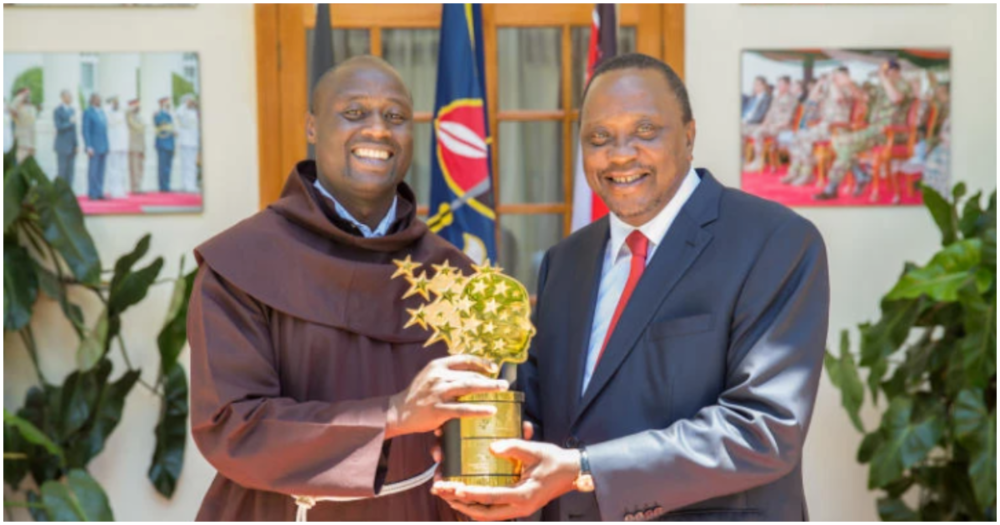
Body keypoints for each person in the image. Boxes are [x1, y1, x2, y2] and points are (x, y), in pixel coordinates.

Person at [434, 53, 830, 524]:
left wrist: (586, 469)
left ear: (689, 134)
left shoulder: (773, 241)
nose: (620, 154)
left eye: (645, 131)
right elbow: (547, 419)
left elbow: (764, 429)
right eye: (599, 138)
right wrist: (487, 453)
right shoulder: (565, 262)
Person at [188, 56, 506, 523]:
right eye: (354, 113)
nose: (378, 130)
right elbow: (233, 429)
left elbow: (472, 425)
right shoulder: (240, 263)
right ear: (312, 127)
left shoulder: (455, 275)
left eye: (395, 117)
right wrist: (393, 414)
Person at [815, 59, 912, 201]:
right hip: (873, 131)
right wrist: (849, 84)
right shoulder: (879, 87)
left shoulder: (902, 84)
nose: (883, 74)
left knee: (843, 143)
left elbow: (896, 98)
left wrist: (884, 79)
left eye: (887, 71)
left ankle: (837, 186)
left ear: (896, 72)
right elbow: (863, 97)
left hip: (891, 132)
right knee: (840, 144)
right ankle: (857, 177)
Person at [783, 67, 859, 186]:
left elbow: (838, 98)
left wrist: (834, 82)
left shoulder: (848, 88)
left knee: (805, 137)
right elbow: (811, 99)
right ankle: (795, 170)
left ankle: (807, 173)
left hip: (837, 128)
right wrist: (820, 83)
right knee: (798, 136)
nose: (835, 77)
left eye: (838, 75)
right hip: (824, 126)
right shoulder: (829, 89)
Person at [743, 76, 798, 172]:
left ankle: (758, 161)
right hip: (770, 127)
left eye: (781, 84)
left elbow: (787, 120)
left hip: (782, 128)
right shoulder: (776, 97)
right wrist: (764, 123)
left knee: (758, 132)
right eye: (778, 84)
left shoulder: (791, 99)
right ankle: (743, 159)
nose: (779, 86)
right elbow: (769, 114)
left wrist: (772, 126)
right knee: (744, 130)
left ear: (788, 85)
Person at [82, 93, 109, 201]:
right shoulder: (88, 112)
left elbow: (104, 130)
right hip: (94, 146)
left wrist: (107, 145)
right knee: (93, 171)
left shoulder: (102, 112)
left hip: (103, 145)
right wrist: (88, 146)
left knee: (101, 171)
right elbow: (86, 130)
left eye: (100, 99)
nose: (99, 100)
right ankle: (92, 193)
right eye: (97, 99)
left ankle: (99, 192)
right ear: (92, 100)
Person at [105, 96, 130, 199]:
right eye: (114, 102)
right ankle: (113, 190)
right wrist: (109, 106)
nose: (116, 104)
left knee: (122, 169)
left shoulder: (121, 113)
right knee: (113, 169)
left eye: (117, 102)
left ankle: (121, 189)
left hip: (122, 145)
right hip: (113, 145)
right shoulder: (108, 113)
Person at [53, 90, 79, 189]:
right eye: (68, 96)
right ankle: (60, 192)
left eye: (71, 96)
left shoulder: (72, 110)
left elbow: (74, 130)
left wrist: (76, 145)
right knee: (62, 171)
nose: (70, 98)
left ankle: (69, 191)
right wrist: (70, 123)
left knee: (70, 171)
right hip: (62, 145)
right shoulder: (57, 110)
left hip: (71, 145)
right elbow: (58, 126)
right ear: (63, 98)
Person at [176, 94, 200, 193]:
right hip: (185, 141)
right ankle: (186, 185)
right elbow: (179, 113)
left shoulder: (193, 112)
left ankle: (192, 184)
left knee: (192, 165)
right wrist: (185, 104)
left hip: (193, 141)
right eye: (189, 101)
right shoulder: (182, 111)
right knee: (186, 164)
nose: (191, 102)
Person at [154, 97, 176, 192]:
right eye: (166, 103)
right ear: (162, 104)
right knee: (163, 167)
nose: (169, 104)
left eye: (169, 103)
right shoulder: (159, 114)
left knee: (168, 167)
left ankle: (167, 185)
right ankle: (163, 187)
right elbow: (160, 125)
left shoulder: (170, 115)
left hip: (170, 143)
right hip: (163, 143)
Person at [11, 87, 37, 163]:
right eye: (25, 94)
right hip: (21, 143)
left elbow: (33, 126)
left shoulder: (32, 108)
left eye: (28, 94)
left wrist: (33, 145)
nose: (27, 96)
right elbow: (12, 108)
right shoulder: (17, 109)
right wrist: (20, 96)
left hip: (30, 142)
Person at [127, 99, 147, 194]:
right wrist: (131, 111)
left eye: (138, 105)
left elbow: (142, 131)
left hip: (141, 146)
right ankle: (134, 188)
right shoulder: (130, 116)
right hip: (133, 146)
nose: (138, 107)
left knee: (140, 168)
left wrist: (144, 148)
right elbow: (135, 126)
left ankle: (139, 186)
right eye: (135, 105)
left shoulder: (140, 117)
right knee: (134, 168)